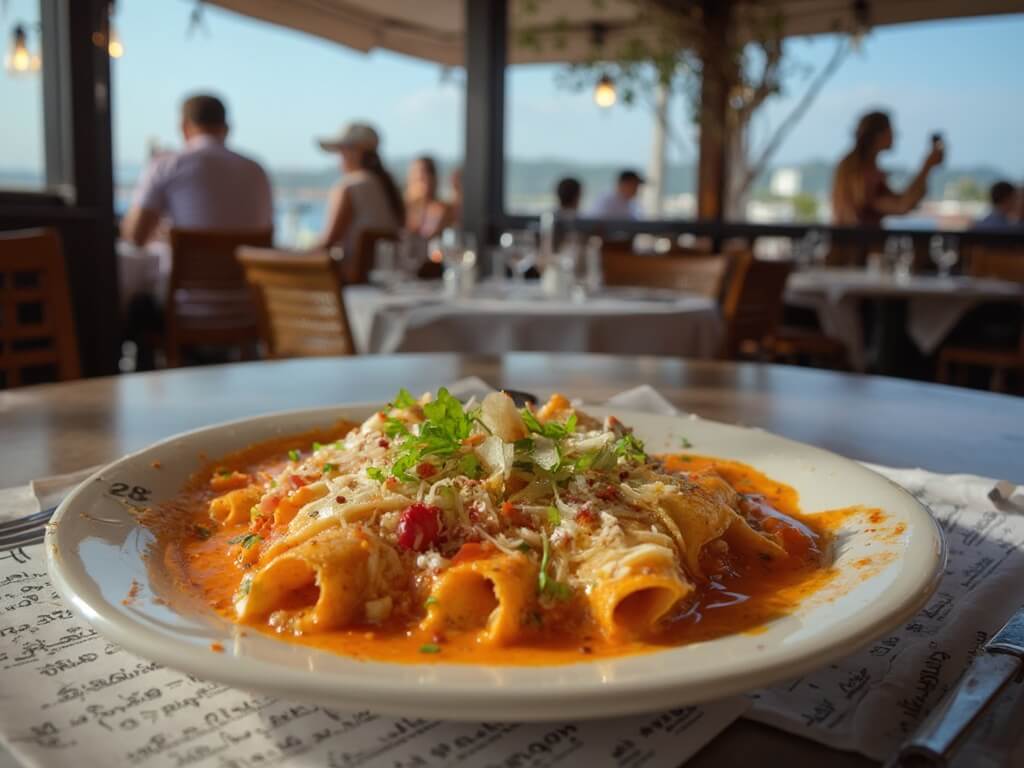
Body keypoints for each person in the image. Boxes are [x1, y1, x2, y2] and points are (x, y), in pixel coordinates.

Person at [120, 93, 273, 245]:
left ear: (183, 127)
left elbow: (135, 235)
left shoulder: (167, 165)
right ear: (226, 128)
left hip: (187, 269)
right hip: (247, 269)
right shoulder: (257, 170)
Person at [831, 110, 943, 227]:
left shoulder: (851, 165)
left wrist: (927, 167)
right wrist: (927, 167)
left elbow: (902, 202)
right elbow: (901, 205)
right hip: (859, 243)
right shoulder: (863, 172)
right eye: (890, 130)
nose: (895, 135)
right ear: (878, 135)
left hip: (850, 242)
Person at [315, 122, 404, 260]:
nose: (339, 157)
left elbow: (328, 242)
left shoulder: (348, 186)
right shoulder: (387, 186)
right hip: (384, 272)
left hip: (350, 276)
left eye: (341, 150)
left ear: (355, 152)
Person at [404, 156, 452, 239]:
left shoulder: (442, 210)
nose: (420, 181)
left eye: (423, 176)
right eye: (416, 176)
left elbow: (430, 237)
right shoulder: (403, 209)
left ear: (433, 178)